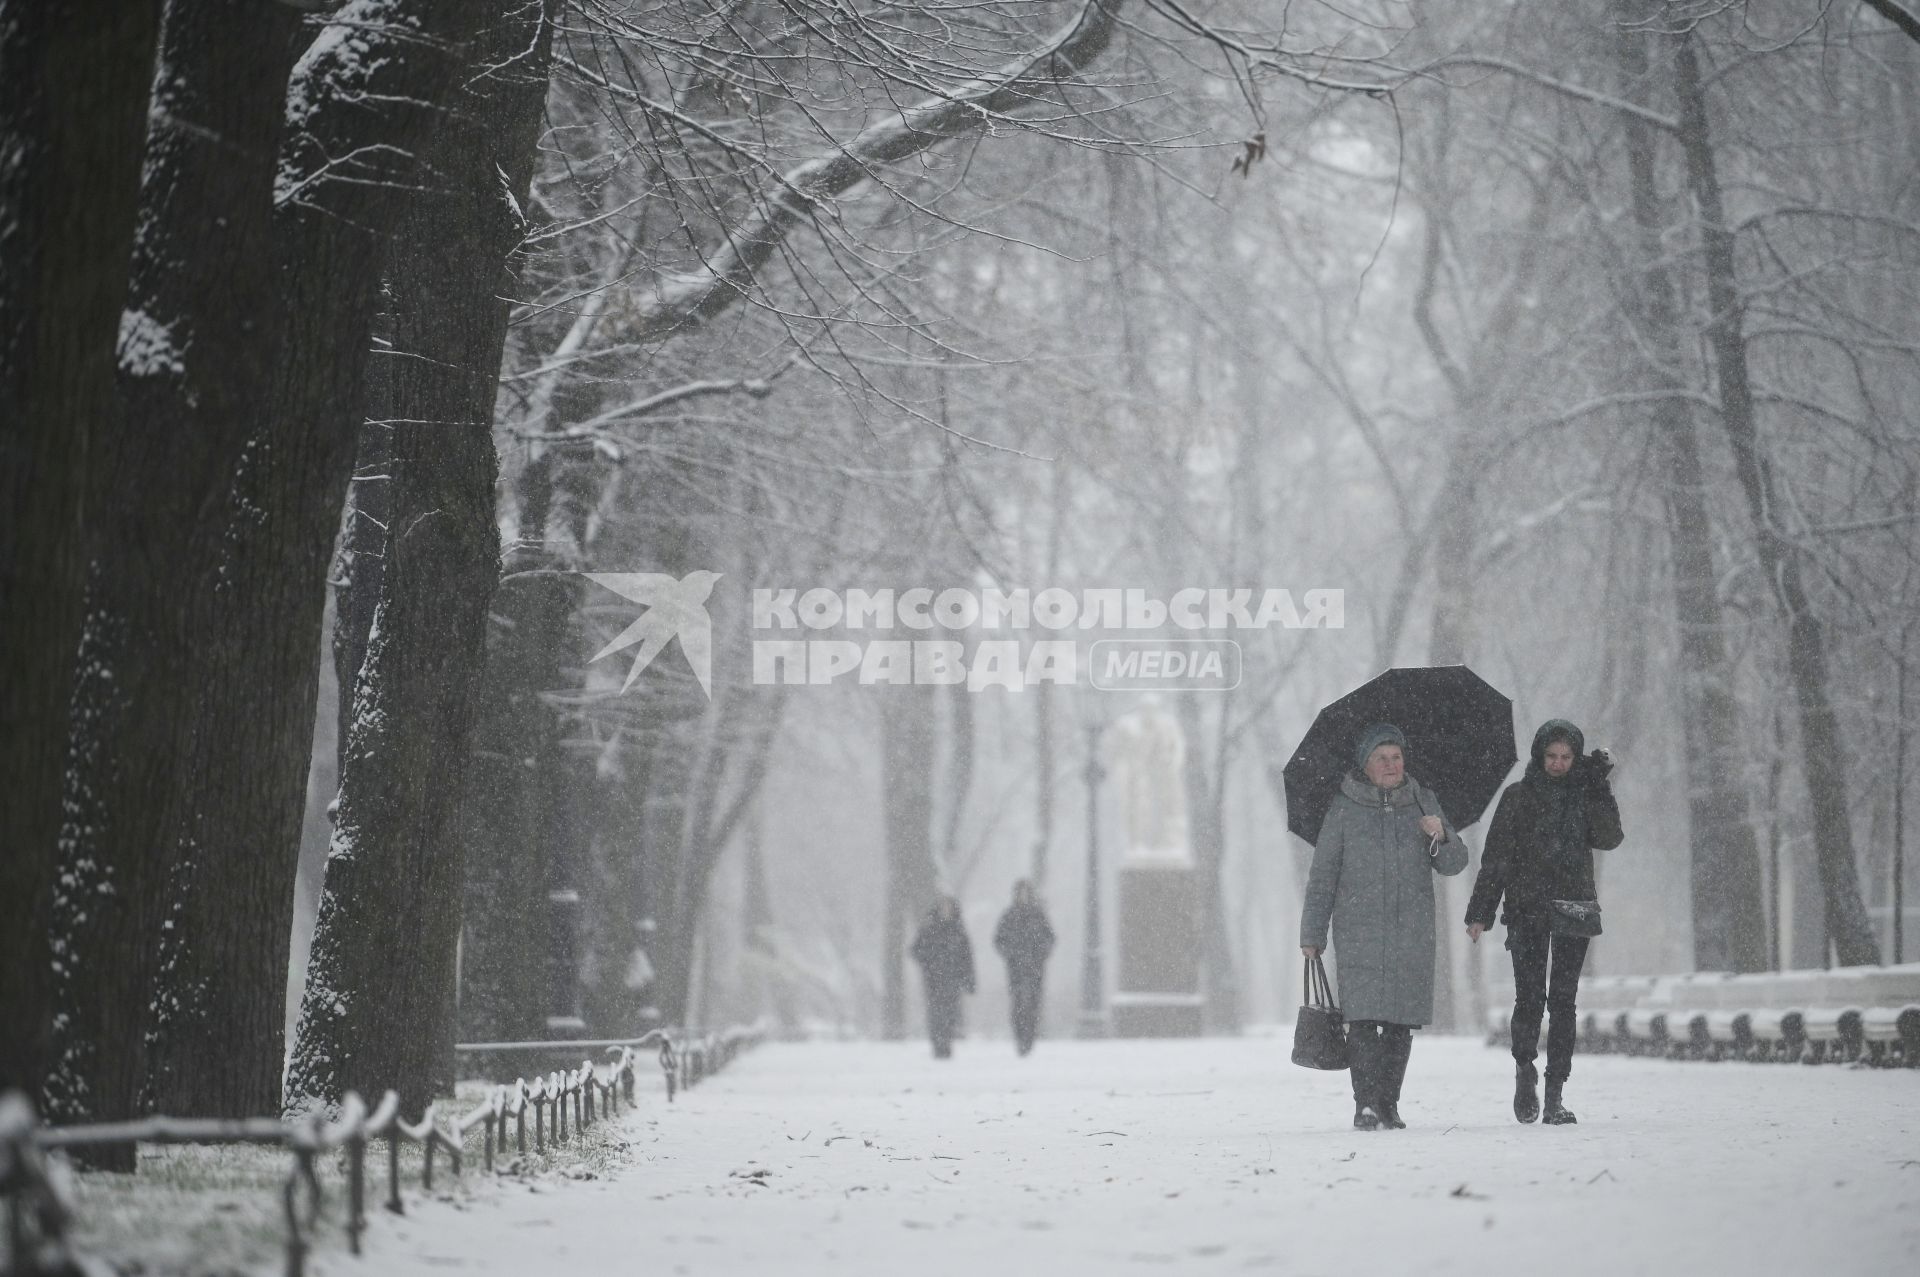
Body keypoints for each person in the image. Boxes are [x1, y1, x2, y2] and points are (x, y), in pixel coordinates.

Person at [1300, 723, 1468, 1131]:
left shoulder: (1423, 802)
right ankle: (1366, 1104)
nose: (1391, 765)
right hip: (1359, 930)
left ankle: (1389, 1102)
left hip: (1412, 929)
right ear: (1366, 765)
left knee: (1399, 1021)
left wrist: (1442, 834)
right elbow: (1323, 875)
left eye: (1396, 757)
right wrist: (1312, 934)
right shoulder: (1342, 809)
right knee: (1362, 1019)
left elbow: (1455, 863)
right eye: (1382, 758)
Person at [1465, 719, 1624, 1126]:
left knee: (1565, 1002)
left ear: (1576, 759)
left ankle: (1556, 1094)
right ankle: (1524, 1069)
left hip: (1574, 907)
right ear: (1539, 756)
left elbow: (1609, 837)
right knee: (1530, 998)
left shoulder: (1585, 796)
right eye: (1551, 756)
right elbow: (1497, 858)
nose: (1557, 764)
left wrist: (1599, 786)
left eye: (1566, 758)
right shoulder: (1518, 798)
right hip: (1527, 908)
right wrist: (1481, 912)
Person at [993, 880, 1056, 1055]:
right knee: (1017, 1003)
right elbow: (999, 940)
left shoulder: (1038, 915)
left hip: (1035, 968)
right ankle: (1020, 1038)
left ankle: (1029, 1038)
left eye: (1026, 892)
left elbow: (1050, 938)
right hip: (1015, 969)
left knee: (1033, 1003)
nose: (1023, 896)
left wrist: (1040, 954)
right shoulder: (1009, 916)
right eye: (1020, 892)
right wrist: (1010, 954)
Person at [910, 896, 976, 1059]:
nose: (946, 911)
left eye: (949, 907)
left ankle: (946, 1042)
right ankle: (938, 1044)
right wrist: (929, 962)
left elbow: (966, 957)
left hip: (952, 979)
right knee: (935, 1013)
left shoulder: (958, 930)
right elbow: (916, 950)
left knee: (950, 1012)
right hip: (933, 980)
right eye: (943, 907)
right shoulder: (929, 928)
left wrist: (969, 979)